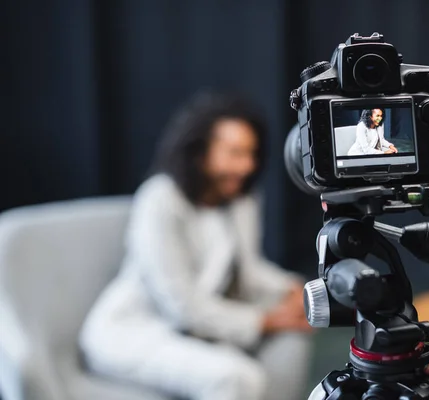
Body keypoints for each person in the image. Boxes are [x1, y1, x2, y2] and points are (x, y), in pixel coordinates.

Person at [79, 91, 312, 400]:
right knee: (239, 378)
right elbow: (182, 306)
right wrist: (266, 320)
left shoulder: (242, 199)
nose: (246, 166)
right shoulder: (160, 200)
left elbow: (249, 268)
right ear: (201, 152)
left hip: (190, 333)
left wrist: (292, 288)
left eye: (251, 154)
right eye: (234, 152)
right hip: (133, 330)